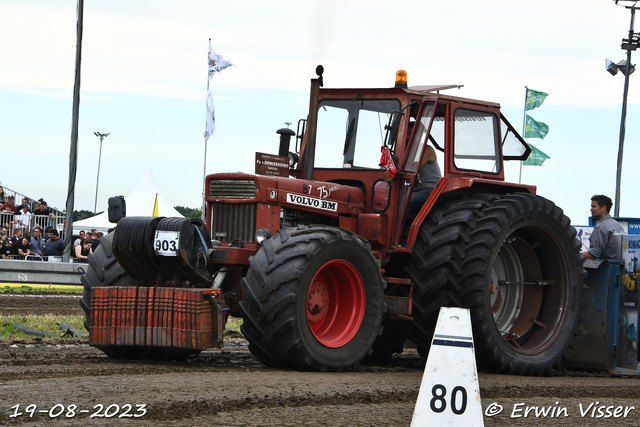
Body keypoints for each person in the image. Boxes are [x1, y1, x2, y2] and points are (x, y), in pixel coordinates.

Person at [581, 195, 625, 260]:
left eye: (594, 206)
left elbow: (594, 253)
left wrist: (575, 254)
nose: (591, 209)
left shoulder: (601, 227)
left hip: (605, 268)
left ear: (604, 208)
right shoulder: (618, 226)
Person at [407, 144, 442, 217]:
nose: (407, 137)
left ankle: (399, 227)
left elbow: (412, 168)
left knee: (407, 201)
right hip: (419, 188)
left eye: (409, 134)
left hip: (432, 189)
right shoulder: (412, 152)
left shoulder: (427, 149)